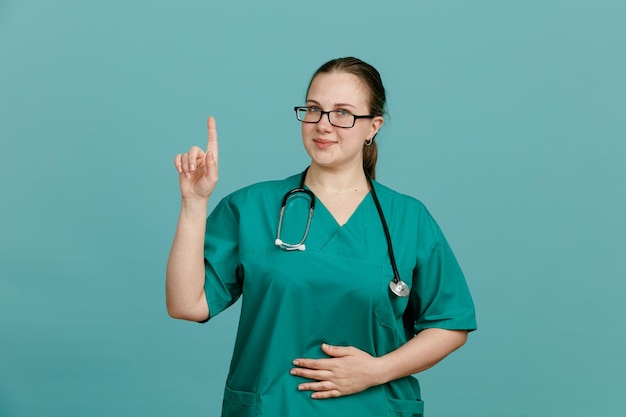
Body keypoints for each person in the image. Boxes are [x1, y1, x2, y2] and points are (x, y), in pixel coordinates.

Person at [166, 57, 476, 417]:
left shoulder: (407, 218)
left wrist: (375, 371)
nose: (322, 125)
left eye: (342, 113)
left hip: (372, 407)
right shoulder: (251, 207)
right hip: (273, 406)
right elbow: (186, 305)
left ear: (372, 127)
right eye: (313, 109)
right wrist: (194, 202)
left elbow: (450, 323)